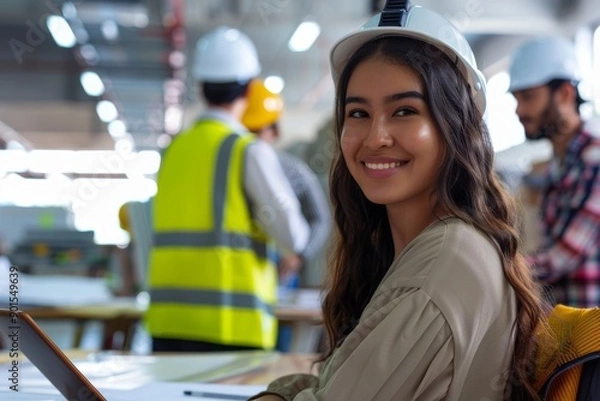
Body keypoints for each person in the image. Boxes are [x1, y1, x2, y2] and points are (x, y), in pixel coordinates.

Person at [250, 1, 546, 400]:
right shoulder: (422, 252)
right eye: (358, 114)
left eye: (404, 111)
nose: (375, 137)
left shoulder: (442, 265)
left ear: (454, 126)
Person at [145, 26, 310, 352]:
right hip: (232, 329)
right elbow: (294, 237)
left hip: (166, 325)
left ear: (202, 86)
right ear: (250, 89)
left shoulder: (173, 151)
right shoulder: (247, 150)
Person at [509, 36, 600, 308]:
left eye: (528, 97)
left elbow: (563, 256)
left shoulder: (594, 159)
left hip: (591, 335)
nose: (519, 110)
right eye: (516, 99)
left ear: (564, 94)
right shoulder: (557, 164)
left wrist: (501, 269)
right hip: (566, 325)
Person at [241, 79, 332, 287]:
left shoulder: (292, 170)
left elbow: (320, 218)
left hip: (278, 273)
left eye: (256, 132)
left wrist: (299, 255)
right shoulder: (226, 168)